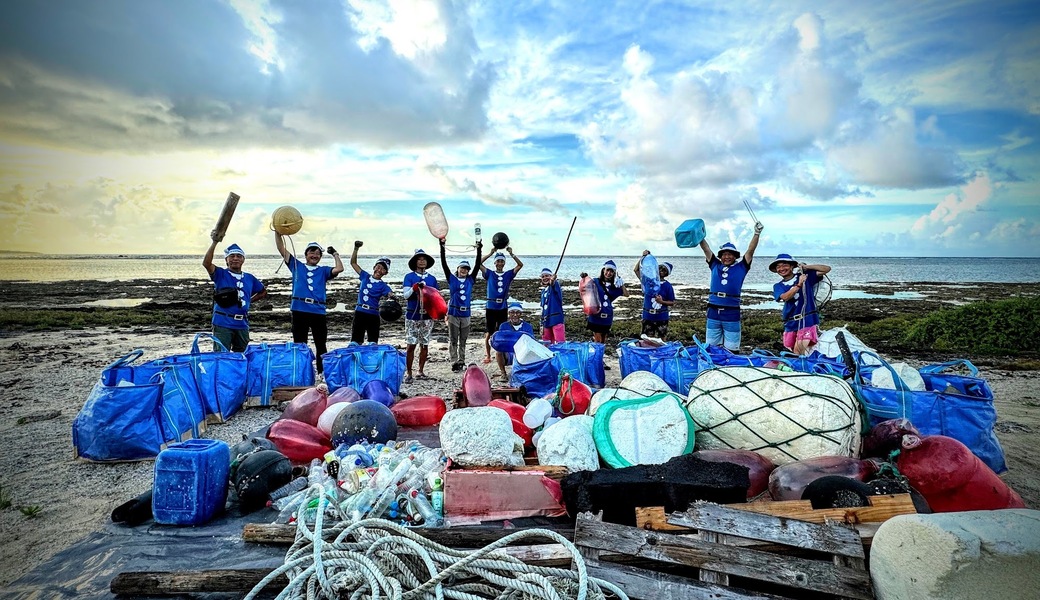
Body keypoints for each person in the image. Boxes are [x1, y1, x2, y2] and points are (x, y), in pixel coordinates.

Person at [275, 235, 343, 375]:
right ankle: (301, 372)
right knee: (300, 344)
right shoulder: (296, 266)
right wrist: (278, 232)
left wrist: (335, 254)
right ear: (306, 254)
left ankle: (322, 373)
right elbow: (281, 248)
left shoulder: (323, 270)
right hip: (299, 310)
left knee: (321, 344)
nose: (315, 255)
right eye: (312, 252)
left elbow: (339, 268)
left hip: (318, 311)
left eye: (318, 253)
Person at [698, 222, 763, 350]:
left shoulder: (742, 267)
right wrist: (699, 235)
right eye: (724, 254)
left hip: (731, 312)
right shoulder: (715, 265)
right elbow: (706, 249)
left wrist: (756, 233)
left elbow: (750, 251)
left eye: (730, 254)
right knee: (711, 347)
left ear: (735, 256)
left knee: (732, 348)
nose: (727, 256)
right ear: (720, 256)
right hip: (713, 311)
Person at [203, 237, 266, 352]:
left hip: (242, 324)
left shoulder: (249, 278)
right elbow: (206, 263)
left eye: (239, 256)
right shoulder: (220, 274)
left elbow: (262, 292)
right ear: (226, 260)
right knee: (222, 356)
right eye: (232, 256)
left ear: (243, 260)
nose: (235, 259)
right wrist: (214, 242)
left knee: (243, 356)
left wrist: (248, 301)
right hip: (223, 322)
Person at [770, 254, 832, 355]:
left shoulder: (805, 276)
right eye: (778, 266)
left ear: (792, 266)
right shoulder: (778, 286)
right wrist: (799, 285)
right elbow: (785, 297)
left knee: (797, 351)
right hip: (790, 323)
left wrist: (807, 267)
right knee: (788, 352)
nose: (781, 269)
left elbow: (826, 269)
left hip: (807, 320)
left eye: (784, 265)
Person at [440, 238, 482, 372]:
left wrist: (479, 249)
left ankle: (461, 360)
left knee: (463, 339)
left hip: (466, 314)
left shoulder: (470, 279)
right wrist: (442, 247)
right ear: (457, 268)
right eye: (462, 268)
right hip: (453, 313)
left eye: (466, 269)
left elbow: (477, 264)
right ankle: (453, 361)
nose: (464, 270)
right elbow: (444, 263)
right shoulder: (451, 278)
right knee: (453, 339)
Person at [477, 246, 524, 363]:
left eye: (502, 261)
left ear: (504, 263)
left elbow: (520, 265)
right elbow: (478, 263)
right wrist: (490, 253)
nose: (500, 263)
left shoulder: (508, 274)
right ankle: (488, 355)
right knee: (489, 332)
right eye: (498, 261)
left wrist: (511, 254)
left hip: (503, 307)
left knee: (502, 331)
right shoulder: (489, 274)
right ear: (495, 263)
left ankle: (502, 354)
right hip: (491, 307)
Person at [402, 248, 439, 383]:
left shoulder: (432, 279)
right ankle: (409, 372)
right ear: (415, 262)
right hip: (412, 315)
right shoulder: (409, 277)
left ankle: (421, 371)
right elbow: (406, 295)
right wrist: (414, 287)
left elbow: (436, 298)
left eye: (424, 259)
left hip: (427, 317)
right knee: (411, 345)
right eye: (419, 259)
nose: (422, 261)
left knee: (424, 344)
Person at [349, 241, 393, 344]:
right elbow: (353, 263)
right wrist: (356, 249)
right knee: (355, 342)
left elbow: (390, 294)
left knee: (372, 343)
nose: (379, 269)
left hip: (373, 315)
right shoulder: (365, 276)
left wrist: (392, 297)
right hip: (360, 312)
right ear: (374, 267)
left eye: (383, 268)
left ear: (385, 273)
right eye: (378, 266)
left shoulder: (383, 286)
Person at [580, 260, 626, 344]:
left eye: (611, 271)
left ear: (614, 273)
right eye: (607, 270)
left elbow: (626, 294)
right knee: (597, 341)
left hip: (607, 316)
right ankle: (597, 355)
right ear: (603, 270)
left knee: (603, 341)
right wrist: (584, 277)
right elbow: (584, 288)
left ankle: (600, 355)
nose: (609, 273)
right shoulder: (595, 281)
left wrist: (621, 283)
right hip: (596, 316)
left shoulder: (614, 286)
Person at [633, 251, 675, 340]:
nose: (661, 271)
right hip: (648, 315)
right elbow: (636, 270)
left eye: (664, 270)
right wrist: (643, 257)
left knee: (662, 339)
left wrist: (662, 302)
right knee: (647, 339)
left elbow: (672, 302)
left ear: (667, 274)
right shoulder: (648, 281)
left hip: (662, 316)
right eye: (660, 268)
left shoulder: (668, 286)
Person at [496, 302, 535, 382]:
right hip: (508, 353)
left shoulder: (528, 326)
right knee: (498, 352)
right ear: (509, 314)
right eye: (512, 312)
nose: (515, 315)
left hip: (523, 353)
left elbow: (532, 342)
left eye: (517, 312)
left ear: (521, 314)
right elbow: (500, 342)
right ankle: (503, 373)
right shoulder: (503, 326)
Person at [539, 268, 566, 342]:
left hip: (556, 319)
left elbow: (553, 283)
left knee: (560, 342)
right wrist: (541, 324)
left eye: (547, 276)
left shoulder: (555, 286)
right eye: (543, 276)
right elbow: (542, 308)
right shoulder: (543, 291)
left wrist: (553, 280)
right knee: (546, 343)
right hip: (546, 321)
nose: (545, 278)